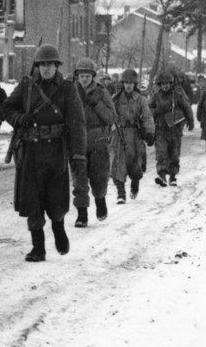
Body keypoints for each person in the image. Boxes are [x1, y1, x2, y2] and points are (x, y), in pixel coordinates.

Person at [4, 44, 86, 262]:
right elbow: (7, 108)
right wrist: (19, 119)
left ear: (57, 66)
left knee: (56, 199)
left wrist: (77, 154)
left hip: (56, 151)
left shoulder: (67, 88)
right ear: (37, 66)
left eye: (50, 64)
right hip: (30, 152)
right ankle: (38, 248)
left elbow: (77, 123)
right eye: (42, 65)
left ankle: (58, 229)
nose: (46, 68)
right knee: (32, 201)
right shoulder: (27, 86)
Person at [70, 58, 114, 226]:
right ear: (77, 76)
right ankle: (82, 214)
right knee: (79, 180)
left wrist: (97, 104)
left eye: (87, 76)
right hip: (78, 141)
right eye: (81, 76)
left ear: (93, 77)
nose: (84, 79)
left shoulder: (102, 93)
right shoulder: (72, 93)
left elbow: (111, 117)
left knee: (99, 176)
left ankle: (100, 201)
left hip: (98, 141)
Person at [110, 68, 154, 204]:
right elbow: (109, 115)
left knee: (136, 164)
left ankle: (135, 184)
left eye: (131, 83)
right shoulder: (116, 99)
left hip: (135, 136)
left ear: (135, 84)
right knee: (118, 163)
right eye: (126, 82)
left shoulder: (140, 100)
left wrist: (149, 132)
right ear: (122, 83)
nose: (128, 85)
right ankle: (121, 193)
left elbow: (147, 116)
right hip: (119, 135)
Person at [149, 71, 194, 187]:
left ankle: (173, 176)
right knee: (161, 153)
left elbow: (186, 107)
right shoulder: (156, 96)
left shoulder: (177, 95)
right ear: (159, 85)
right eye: (162, 84)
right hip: (161, 129)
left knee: (174, 154)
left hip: (175, 129)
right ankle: (162, 176)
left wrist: (190, 120)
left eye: (167, 83)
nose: (165, 86)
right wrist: (157, 111)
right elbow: (148, 110)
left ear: (171, 84)